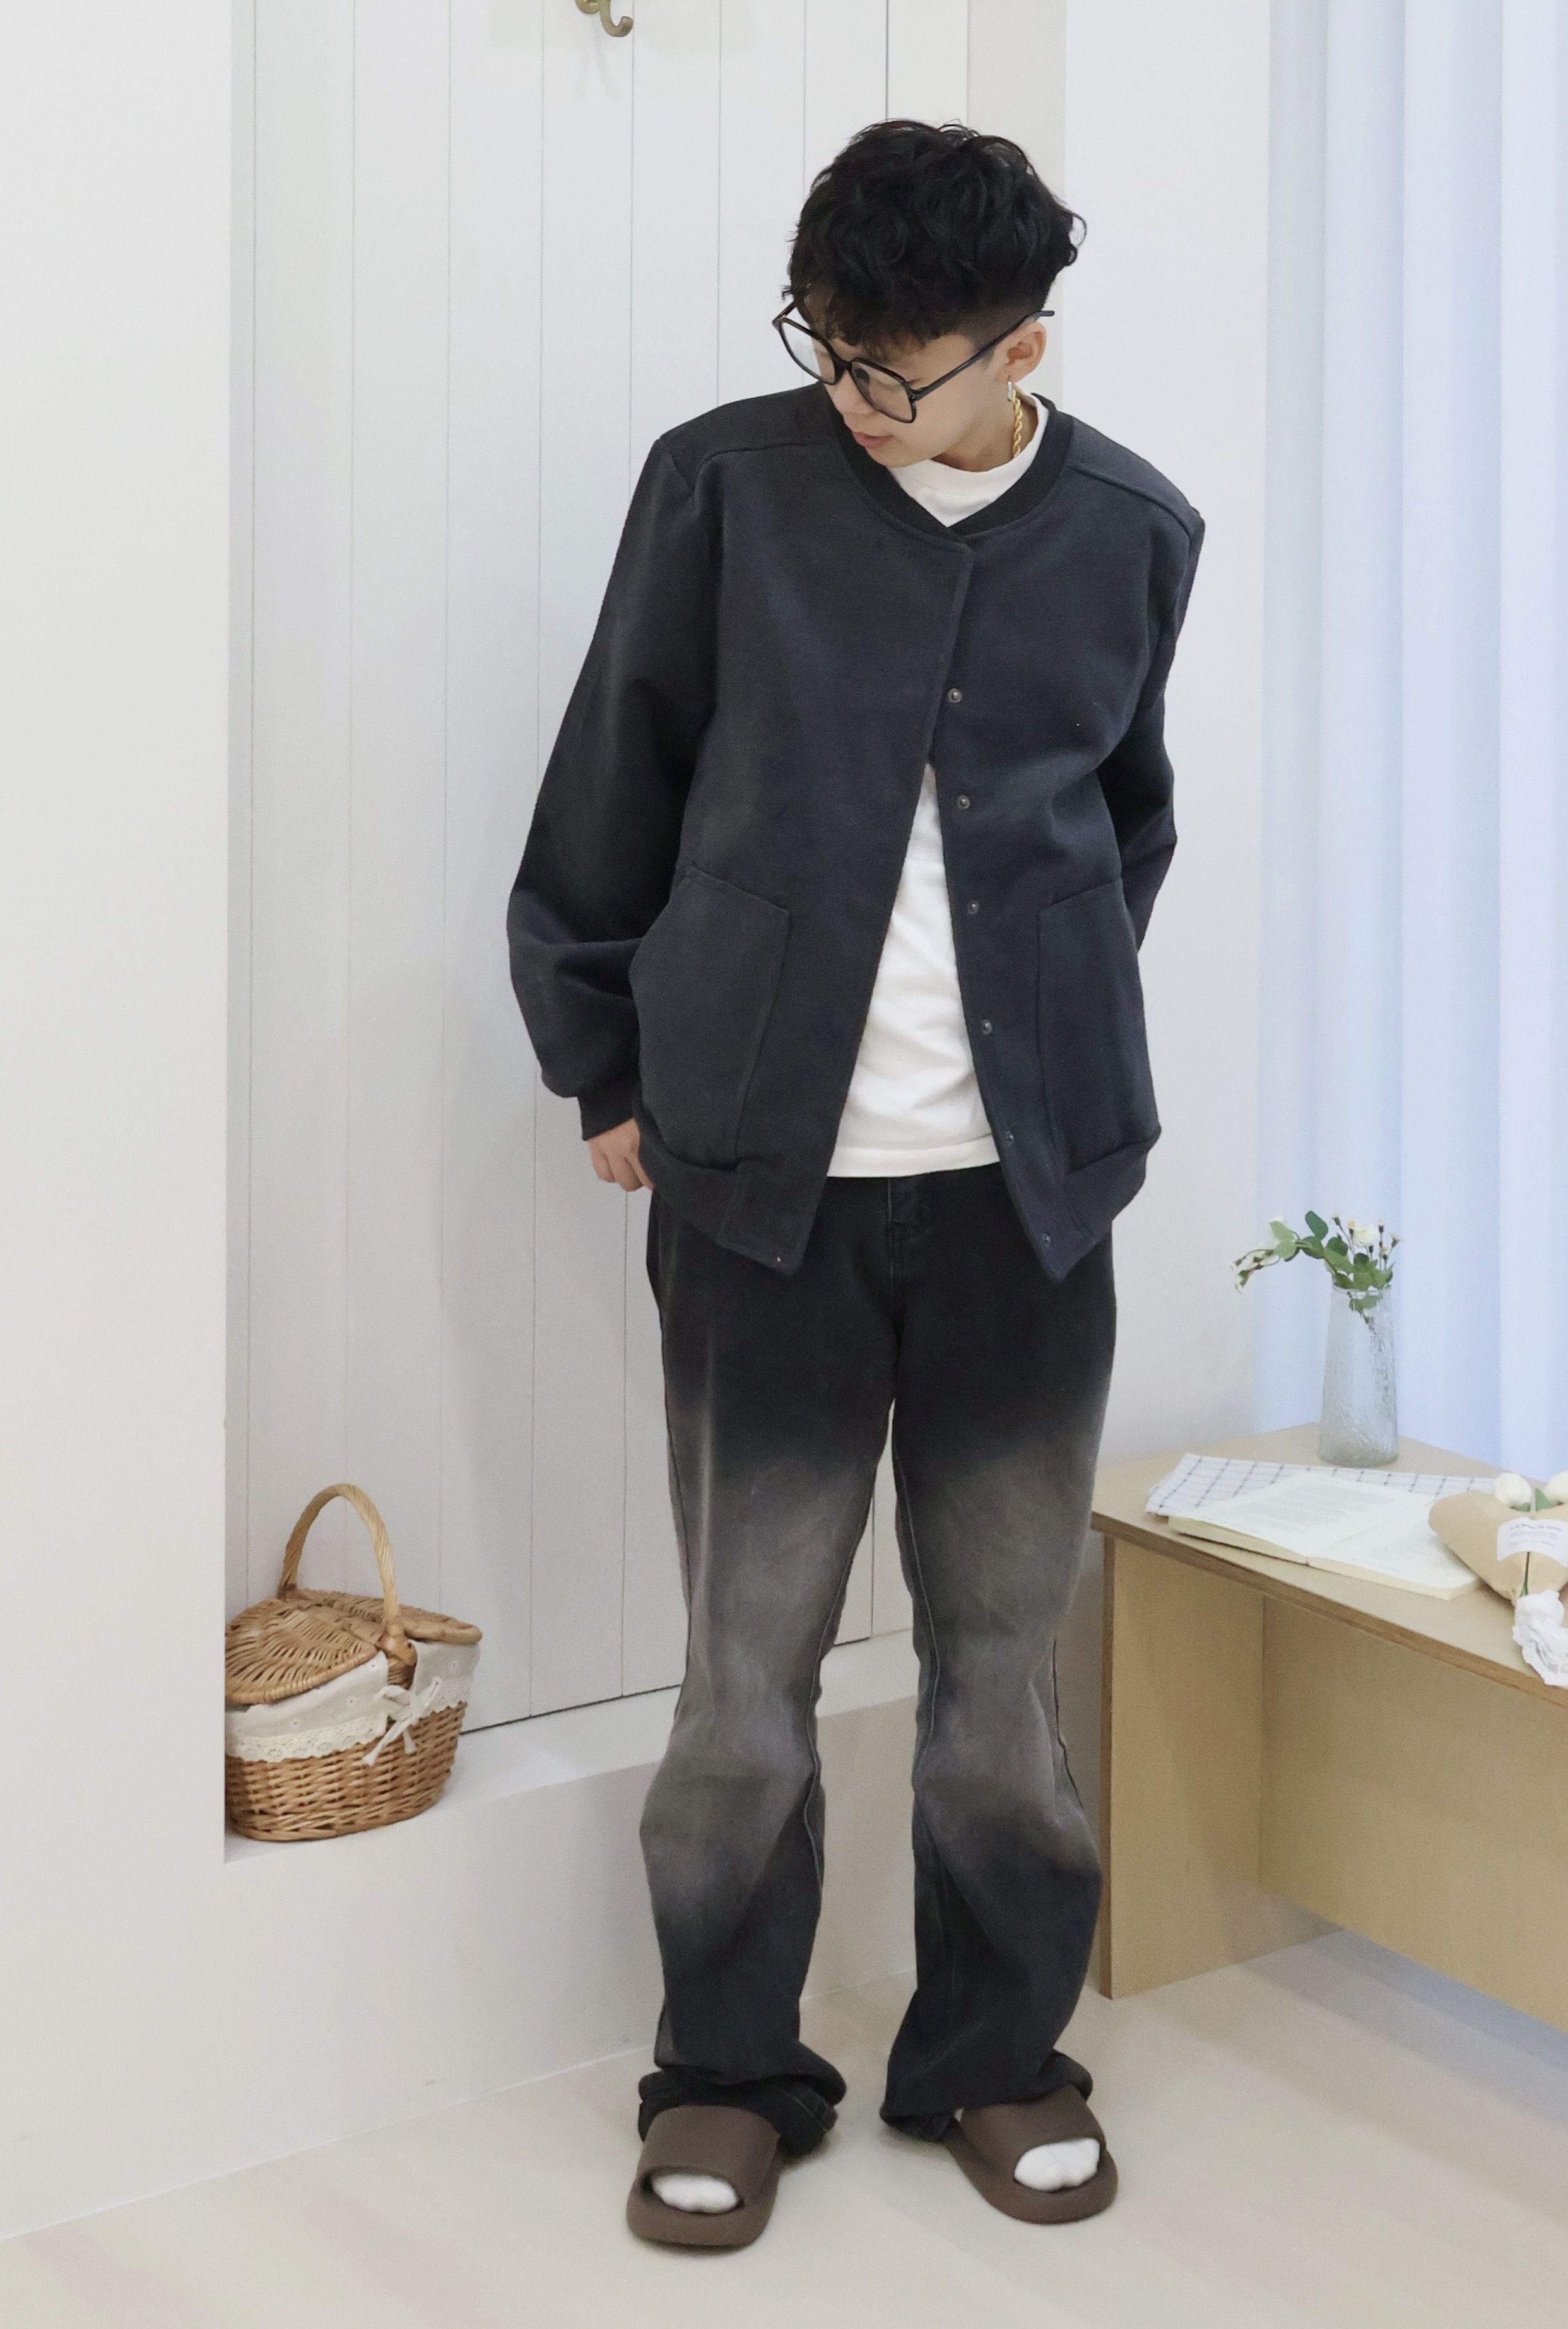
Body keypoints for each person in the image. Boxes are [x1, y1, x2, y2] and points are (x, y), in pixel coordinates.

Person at [509, 117, 1203, 2254]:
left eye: (896, 370)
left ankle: (996, 2053)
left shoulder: (1132, 532)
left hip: (1024, 1206)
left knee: (1003, 1670)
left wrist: (1052, 1056)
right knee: (745, 1673)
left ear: (1023, 350)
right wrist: (608, 1054)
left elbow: (1125, 825)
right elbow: (615, 771)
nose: (854, 396)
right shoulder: (721, 486)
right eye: (826, 348)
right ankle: (725, 2071)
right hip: (759, 1190)